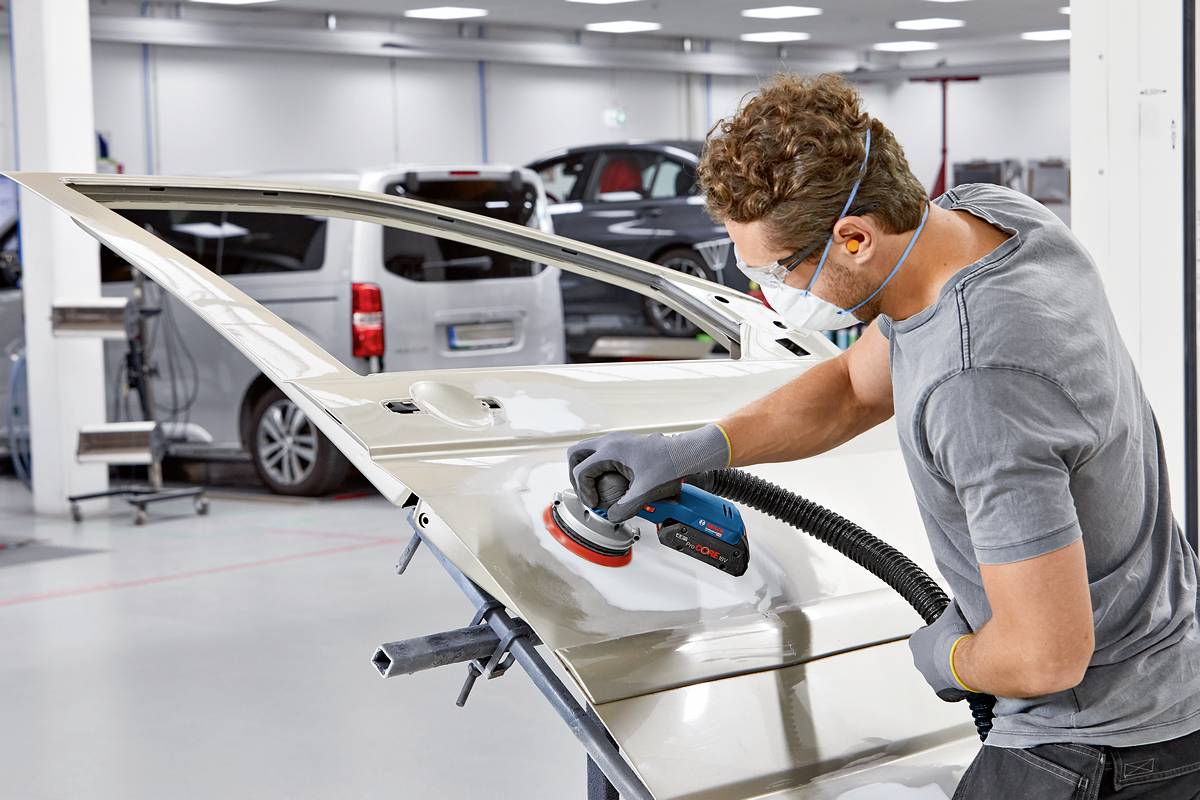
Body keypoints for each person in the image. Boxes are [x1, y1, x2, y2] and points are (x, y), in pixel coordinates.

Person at [567, 73, 1200, 798]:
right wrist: (698, 447)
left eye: (777, 270)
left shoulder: (980, 383)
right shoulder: (992, 221)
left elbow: (1044, 656)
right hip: (1170, 694)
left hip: (1089, 751)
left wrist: (949, 659)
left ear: (855, 238)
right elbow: (854, 387)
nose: (773, 292)